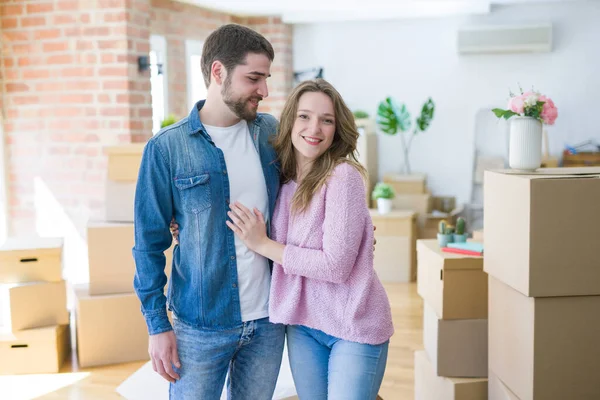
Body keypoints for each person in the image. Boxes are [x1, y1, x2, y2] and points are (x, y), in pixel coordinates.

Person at [132, 24, 286, 399]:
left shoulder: (271, 134)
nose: (263, 91)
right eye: (254, 78)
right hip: (199, 326)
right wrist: (157, 326)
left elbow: (307, 197)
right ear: (218, 72)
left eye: (265, 78)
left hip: (267, 322)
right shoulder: (166, 150)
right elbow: (148, 245)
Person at [225, 79, 394, 400]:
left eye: (326, 120)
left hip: (353, 323)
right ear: (290, 121)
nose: (314, 127)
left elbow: (336, 266)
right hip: (303, 324)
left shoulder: (342, 176)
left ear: (336, 128)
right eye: (304, 116)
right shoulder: (281, 180)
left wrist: (263, 245)